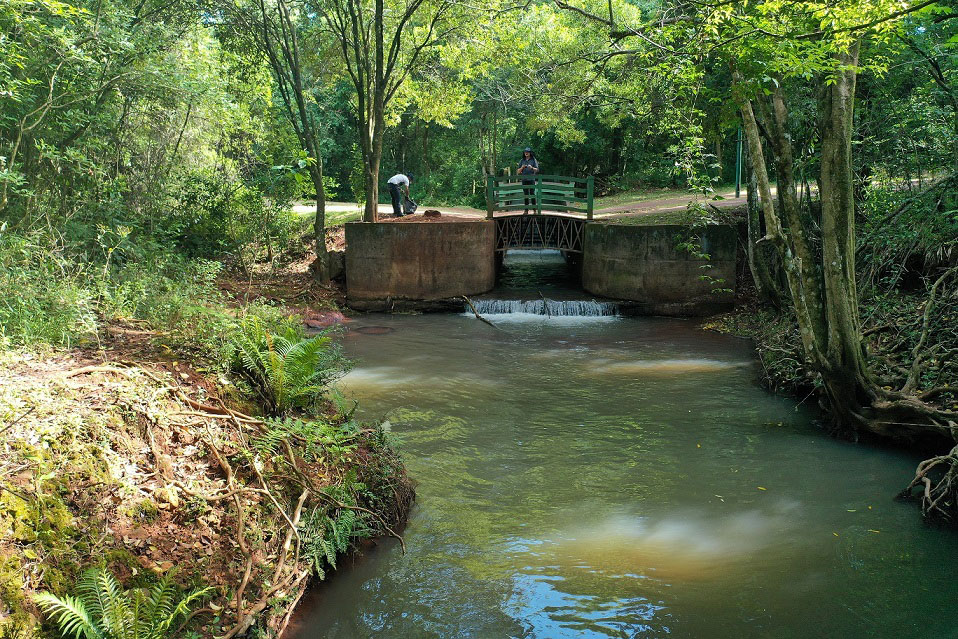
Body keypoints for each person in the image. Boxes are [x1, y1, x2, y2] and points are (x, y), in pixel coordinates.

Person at [517, 148, 539, 214]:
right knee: (525, 195)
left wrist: (532, 168)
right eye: (525, 152)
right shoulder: (522, 160)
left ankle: (534, 210)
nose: (526, 153)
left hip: (531, 179)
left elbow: (537, 170)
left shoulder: (533, 160)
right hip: (524, 180)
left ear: (530, 153)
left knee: (532, 194)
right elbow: (518, 172)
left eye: (528, 152)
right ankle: (526, 210)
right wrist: (522, 167)